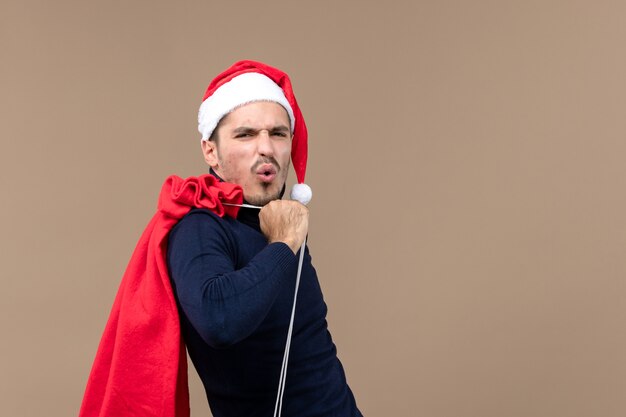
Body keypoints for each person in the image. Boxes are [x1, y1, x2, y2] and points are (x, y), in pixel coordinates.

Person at [166, 60, 363, 417]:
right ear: (211, 151)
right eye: (246, 135)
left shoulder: (273, 219)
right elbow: (218, 319)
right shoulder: (200, 228)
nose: (266, 148)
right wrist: (285, 244)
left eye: (277, 133)